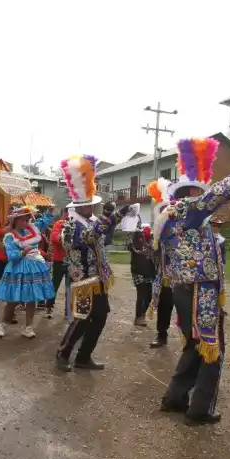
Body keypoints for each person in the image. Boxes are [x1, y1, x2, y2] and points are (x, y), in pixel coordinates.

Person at [155, 137, 230, 425]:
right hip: (198, 290)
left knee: (195, 345)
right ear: (190, 192)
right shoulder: (186, 210)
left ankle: (175, 398)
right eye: (199, 191)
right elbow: (212, 197)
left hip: (188, 288)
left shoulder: (181, 217)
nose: (205, 199)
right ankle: (200, 408)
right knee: (212, 346)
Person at [56, 155, 133, 372]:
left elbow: (104, 237)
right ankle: (63, 352)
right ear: (78, 206)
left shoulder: (91, 221)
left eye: (92, 205)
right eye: (87, 205)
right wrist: (108, 217)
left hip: (99, 276)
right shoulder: (71, 225)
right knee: (82, 317)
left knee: (100, 317)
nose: (91, 208)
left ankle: (83, 356)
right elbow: (88, 238)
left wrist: (118, 215)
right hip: (83, 278)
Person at [0, 206, 55, 338]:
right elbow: (11, 256)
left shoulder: (32, 229)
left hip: (34, 268)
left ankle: (28, 327)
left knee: (32, 298)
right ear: (15, 221)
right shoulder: (10, 237)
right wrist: (23, 252)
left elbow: (43, 222)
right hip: (18, 269)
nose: (25, 223)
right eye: (22, 220)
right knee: (13, 299)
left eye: (27, 220)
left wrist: (49, 212)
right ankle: (2, 324)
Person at [145, 178, 175, 349]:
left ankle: (190, 337)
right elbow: (152, 254)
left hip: (182, 276)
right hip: (164, 276)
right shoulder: (158, 231)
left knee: (186, 307)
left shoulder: (181, 226)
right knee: (164, 305)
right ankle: (161, 334)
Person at [128, 227, 155, 327]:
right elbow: (135, 249)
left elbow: (153, 251)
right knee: (141, 293)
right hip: (138, 272)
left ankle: (142, 314)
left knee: (150, 295)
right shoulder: (134, 242)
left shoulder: (152, 242)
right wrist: (141, 240)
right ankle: (138, 317)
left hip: (150, 272)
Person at [46, 209, 69, 318]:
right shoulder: (58, 223)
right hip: (59, 260)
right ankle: (49, 307)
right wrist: (65, 237)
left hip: (72, 262)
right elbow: (54, 238)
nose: (68, 215)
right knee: (54, 284)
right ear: (64, 213)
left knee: (70, 287)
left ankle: (68, 310)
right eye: (67, 213)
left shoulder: (78, 223)